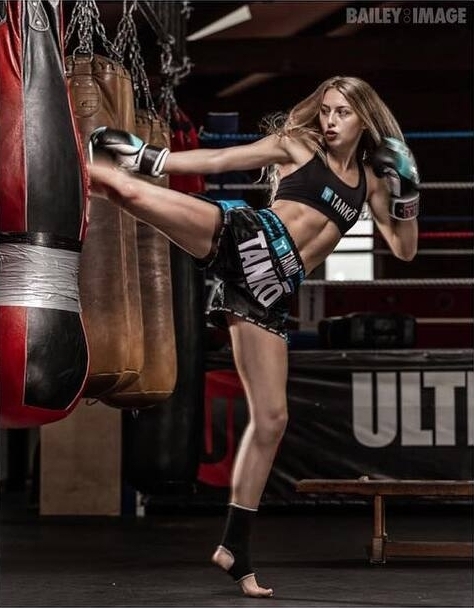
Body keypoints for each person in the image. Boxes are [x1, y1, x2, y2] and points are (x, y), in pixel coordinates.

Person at [87, 75, 419, 598]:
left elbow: (403, 249)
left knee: (272, 419)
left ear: (365, 119)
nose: (331, 121)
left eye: (343, 113)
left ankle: (234, 546)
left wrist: (408, 194)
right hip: (249, 241)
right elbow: (224, 159)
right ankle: (38, 161)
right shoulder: (298, 144)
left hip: (269, 292)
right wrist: (156, 159)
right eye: (327, 110)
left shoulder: (370, 181)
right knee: (124, 189)